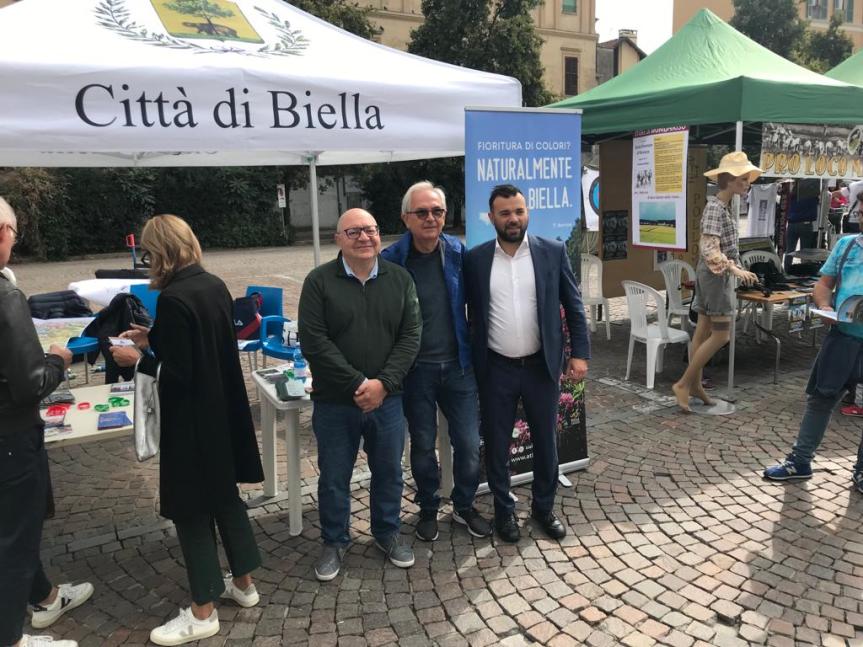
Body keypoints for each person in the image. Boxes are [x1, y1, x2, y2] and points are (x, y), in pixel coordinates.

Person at [109, 215, 264, 646]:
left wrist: (136, 359)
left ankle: (202, 612)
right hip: (223, 416)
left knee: (191, 510)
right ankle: (245, 584)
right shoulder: (212, 284)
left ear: (159, 252)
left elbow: (180, 375)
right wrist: (153, 337)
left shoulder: (175, 298)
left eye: (148, 252)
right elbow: (202, 345)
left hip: (193, 424)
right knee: (225, 498)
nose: (146, 259)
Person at [298, 208, 421, 581]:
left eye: (371, 229)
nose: (365, 237)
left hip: (387, 400)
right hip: (336, 402)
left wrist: (382, 384)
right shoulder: (318, 282)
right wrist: (357, 384)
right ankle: (334, 541)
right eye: (354, 232)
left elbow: (411, 337)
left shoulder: (400, 279)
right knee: (334, 476)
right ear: (338, 239)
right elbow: (314, 342)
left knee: (388, 472)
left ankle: (387, 532)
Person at [463, 184, 590, 543]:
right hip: (496, 368)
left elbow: (574, 305)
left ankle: (543, 508)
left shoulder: (552, 252)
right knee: (498, 443)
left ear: (527, 212)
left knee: (547, 442)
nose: (513, 218)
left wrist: (580, 353)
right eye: (504, 213)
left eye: (518, 211)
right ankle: (504, 511)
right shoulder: (475, 260)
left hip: (541, 366)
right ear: (492, 218)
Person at [0, 197, 94, 647]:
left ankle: (46, 597)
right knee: (15, 534)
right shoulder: (5, 294)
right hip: (11, 434)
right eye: (14, 235)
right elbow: (30, 382)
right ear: (3, 232)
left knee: (13, 525)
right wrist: (57, 359)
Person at [380, 181, 491, 542]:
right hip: (416, 372)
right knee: (423, 445)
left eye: (437, 211)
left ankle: (463, 505)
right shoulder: (391, 261)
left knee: (469, 443)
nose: (431, 218)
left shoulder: (458, 252)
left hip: (459, 367)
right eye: (422, 212)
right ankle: (428, 506)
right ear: (405, 217)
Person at [763, 230, 863, 486]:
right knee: (821, 398)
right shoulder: (848, 245)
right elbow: (824, 284)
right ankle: (800, 460)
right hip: (842, 335)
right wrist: (825, 306)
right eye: (861, 212)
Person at [672, 152, 760, 412]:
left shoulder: (723, 207)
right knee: (721, 335)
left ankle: (696, 385)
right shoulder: (715, 208)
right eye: (744, 179)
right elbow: (710, 249)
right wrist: (735, 270)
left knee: (702, 333)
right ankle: (684, 383)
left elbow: (718, 248)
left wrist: (736, 268)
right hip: (715, 276)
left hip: (715, 274)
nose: (747, 184)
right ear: (731, 180)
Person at [784, 180, 819, 273]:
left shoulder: (793, 195)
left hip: (792, 223)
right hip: (806, 224)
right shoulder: (812, 196)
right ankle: (803, 271)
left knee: (789, 250)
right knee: (805, 251)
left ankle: (787, 270)